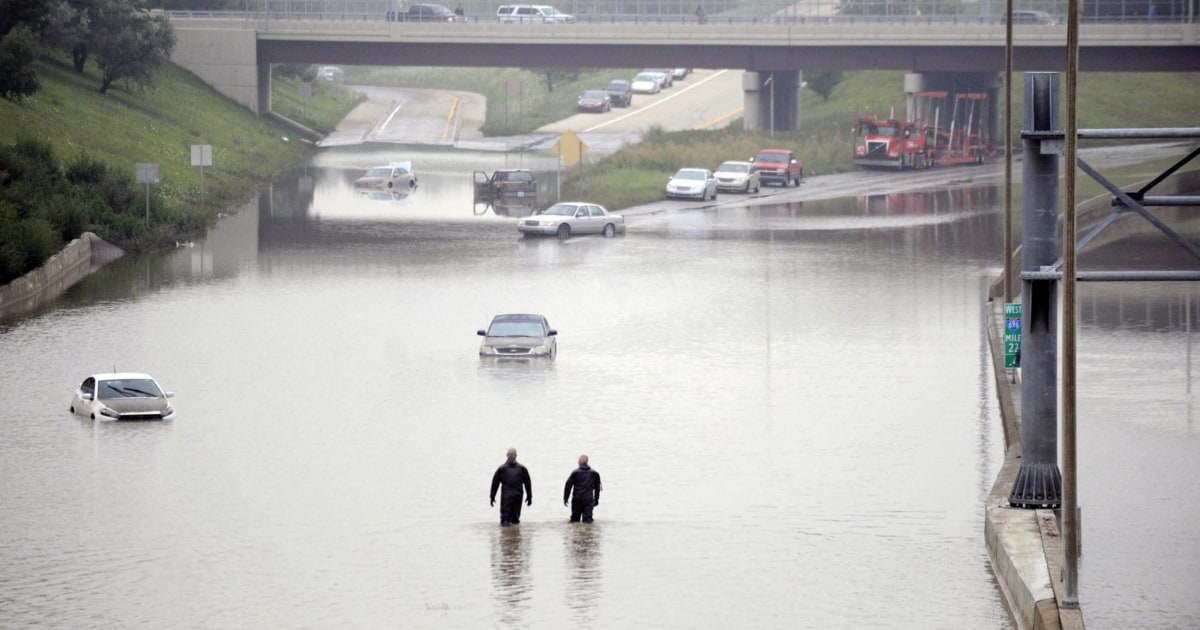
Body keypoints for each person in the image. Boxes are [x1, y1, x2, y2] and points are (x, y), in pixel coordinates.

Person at [490, 447, 532, 526]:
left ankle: (506, 537)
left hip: (506, 497)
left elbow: (495, 484)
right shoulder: (522, 469)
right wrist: (529, 497)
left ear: (507, 455)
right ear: (516, 456)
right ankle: (516, 537)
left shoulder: (501, 469)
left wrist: (492, 497)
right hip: (518, 497)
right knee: (515, 520)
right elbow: (528, 484)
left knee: (505, 521)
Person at [563, 454, 602, 523]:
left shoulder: (575, 473)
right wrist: (596, 499)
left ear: (579, 462)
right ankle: (588, 532)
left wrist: (566, 498)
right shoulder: (594, 473)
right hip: (588, 500)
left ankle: (575, 533)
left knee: (574, 520)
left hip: (577, 499)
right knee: (588, 521)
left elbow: (568, 486)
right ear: (587, 462)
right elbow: (597, 488)